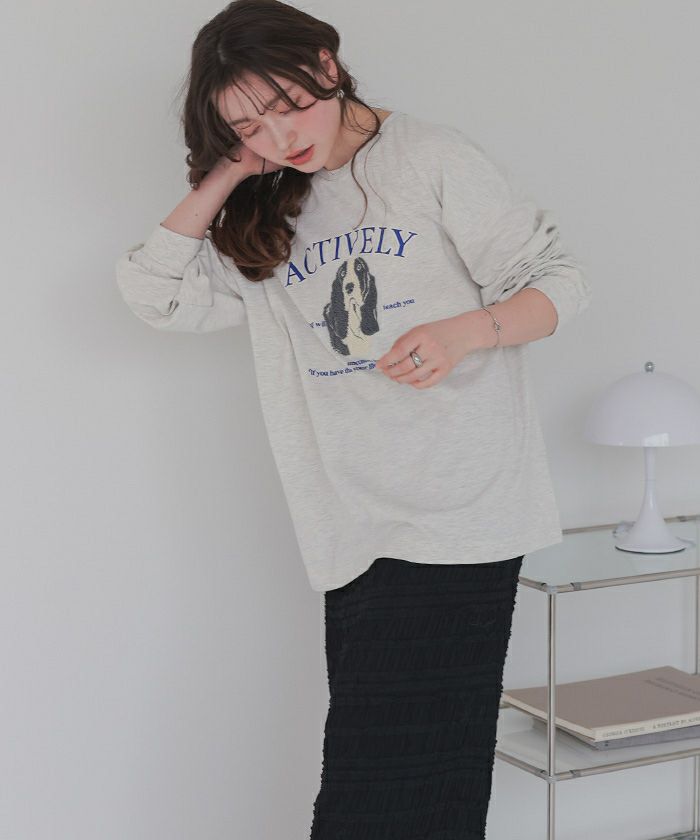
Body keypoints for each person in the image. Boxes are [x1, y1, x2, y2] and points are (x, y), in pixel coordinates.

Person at [115, 0, 592, 836]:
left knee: (396, 781)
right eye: (248, 127)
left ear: (327, 66)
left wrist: (462, 332)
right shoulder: (267, 207)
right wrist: (227, 175)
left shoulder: (430, 158)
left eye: (288, 106)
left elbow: (560, 282)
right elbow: (154, 294)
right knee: (411, 778)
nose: (278, 137)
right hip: (350, 521)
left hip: (460, 509)